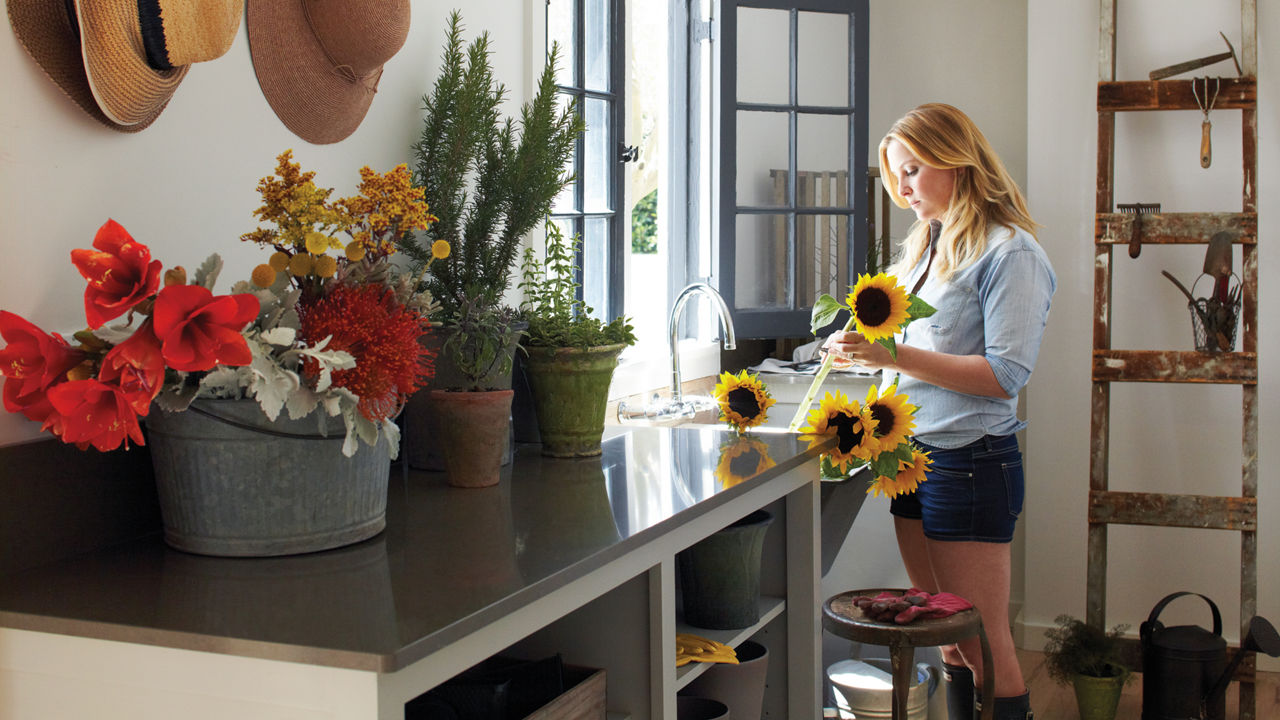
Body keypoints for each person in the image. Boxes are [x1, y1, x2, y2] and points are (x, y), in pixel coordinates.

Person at [824, 103, 1055, 720]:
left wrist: (890, 355)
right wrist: (859, 355)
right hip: (915, 460)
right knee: (947, 639)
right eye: (895, 175)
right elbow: (916, 354)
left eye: (914, 170)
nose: (902, 189)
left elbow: (1005, 375)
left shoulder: (1011, 253)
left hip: (972, 463)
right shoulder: (926, 247)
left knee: (983, 643)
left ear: (959, 161)